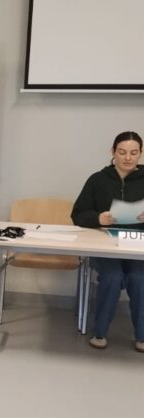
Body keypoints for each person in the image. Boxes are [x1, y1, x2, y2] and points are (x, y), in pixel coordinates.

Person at [71, 130, 144, 351]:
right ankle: (100, 332)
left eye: (133, 153)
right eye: (122, 152)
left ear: (141, 153)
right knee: (112, 277)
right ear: (113, 152)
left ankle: (142, 336)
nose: (128, 158)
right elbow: (77, 215)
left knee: (139, 278)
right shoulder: (97, 180)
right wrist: (98, 218)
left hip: (137, 246)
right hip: (104, 244)